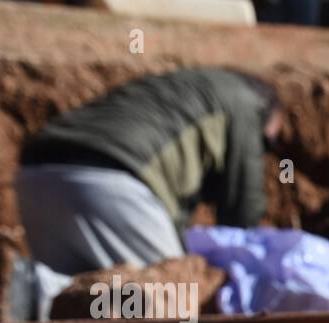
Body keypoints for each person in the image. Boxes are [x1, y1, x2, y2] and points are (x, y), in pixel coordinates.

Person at [16, 68, 282, 277]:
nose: (262, 153)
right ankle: (38, 290)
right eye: (267, 144)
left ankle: (13, 282)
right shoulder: (247, 104)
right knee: (173, 298)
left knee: (76, 293)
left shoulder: (187, 88)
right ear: (265, 109)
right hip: (111, 180)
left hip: (36, 175)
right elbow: (242, 207)